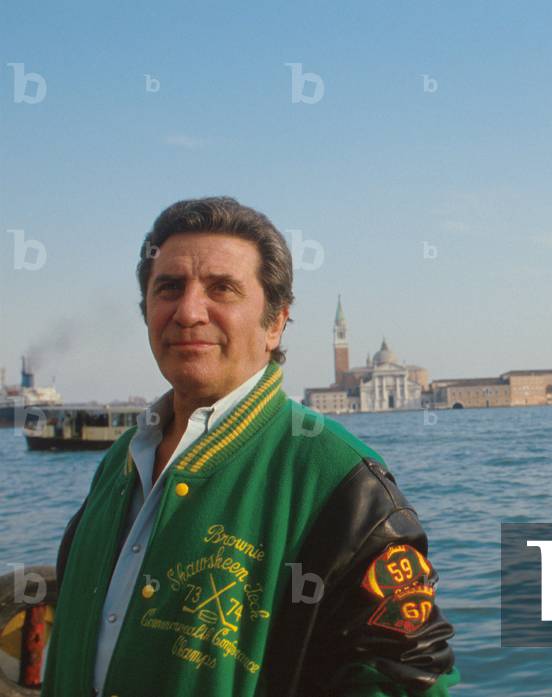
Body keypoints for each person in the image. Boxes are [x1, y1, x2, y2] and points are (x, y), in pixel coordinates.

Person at [43, 197, 458, 697]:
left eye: (223, 288)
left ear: (276, 323)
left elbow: (408, 680)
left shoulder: (342, 482)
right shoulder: (119, 461)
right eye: (169, 288)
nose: (189, 311)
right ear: (147, 311)